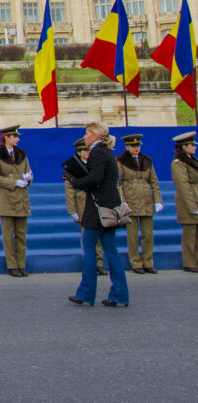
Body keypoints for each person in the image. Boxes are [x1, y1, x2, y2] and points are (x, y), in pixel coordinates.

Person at [65, 124, 129, 307]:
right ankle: (119, 294)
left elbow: (95, 178)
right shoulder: (107, 151)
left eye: (86, 134)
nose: (85, 137)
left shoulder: (98, 153)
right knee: (111, 250)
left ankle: (86, 292)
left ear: (94, 135)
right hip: (109, 207)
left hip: (98, 208)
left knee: (88, 248)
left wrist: (74, 181)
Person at [0, 124, 32, 277]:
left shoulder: (22, 154)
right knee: (8, 235)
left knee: (21, 235)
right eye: (14, 136)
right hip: (7, 199)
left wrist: (28, 178)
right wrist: (14, 182)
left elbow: (28, 171)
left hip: (21, 199)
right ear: (6, 138)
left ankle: (21, 265)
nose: (17, 139)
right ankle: (12, 265)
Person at [117, 134, 163, 274]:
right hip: (131, 198)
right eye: (133, 146)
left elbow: (154, 181)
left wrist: (157, 200)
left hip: (147, 198)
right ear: (127, 147)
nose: (136, 149)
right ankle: (136, 262)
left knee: (148, 233)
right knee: (132, 234)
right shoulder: (120, 161)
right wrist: (122, 200)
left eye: (137, 146)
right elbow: (118, 183)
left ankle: (148, 262)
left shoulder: (147, 160)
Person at [63, 136, 106, 274]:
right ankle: (90, 265)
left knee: (98, 237)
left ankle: (99, 263)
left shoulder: (95, 163)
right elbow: (70, 191)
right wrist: (72, 211)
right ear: (79, 152)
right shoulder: (74, 167)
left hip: (97, 203)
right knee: (87, 238)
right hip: (82, 205)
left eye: (89, 150)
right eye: (84, 150)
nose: (88, 152)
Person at [171, 131, 198, 272]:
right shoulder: (178, 163)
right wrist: (192, 206)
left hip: (195, 197)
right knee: (190, 234)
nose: (194, 147)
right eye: (191, 145)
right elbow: (183, 185)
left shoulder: (192, 160)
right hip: (187, 201)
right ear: (184, 147)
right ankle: (190, 263)